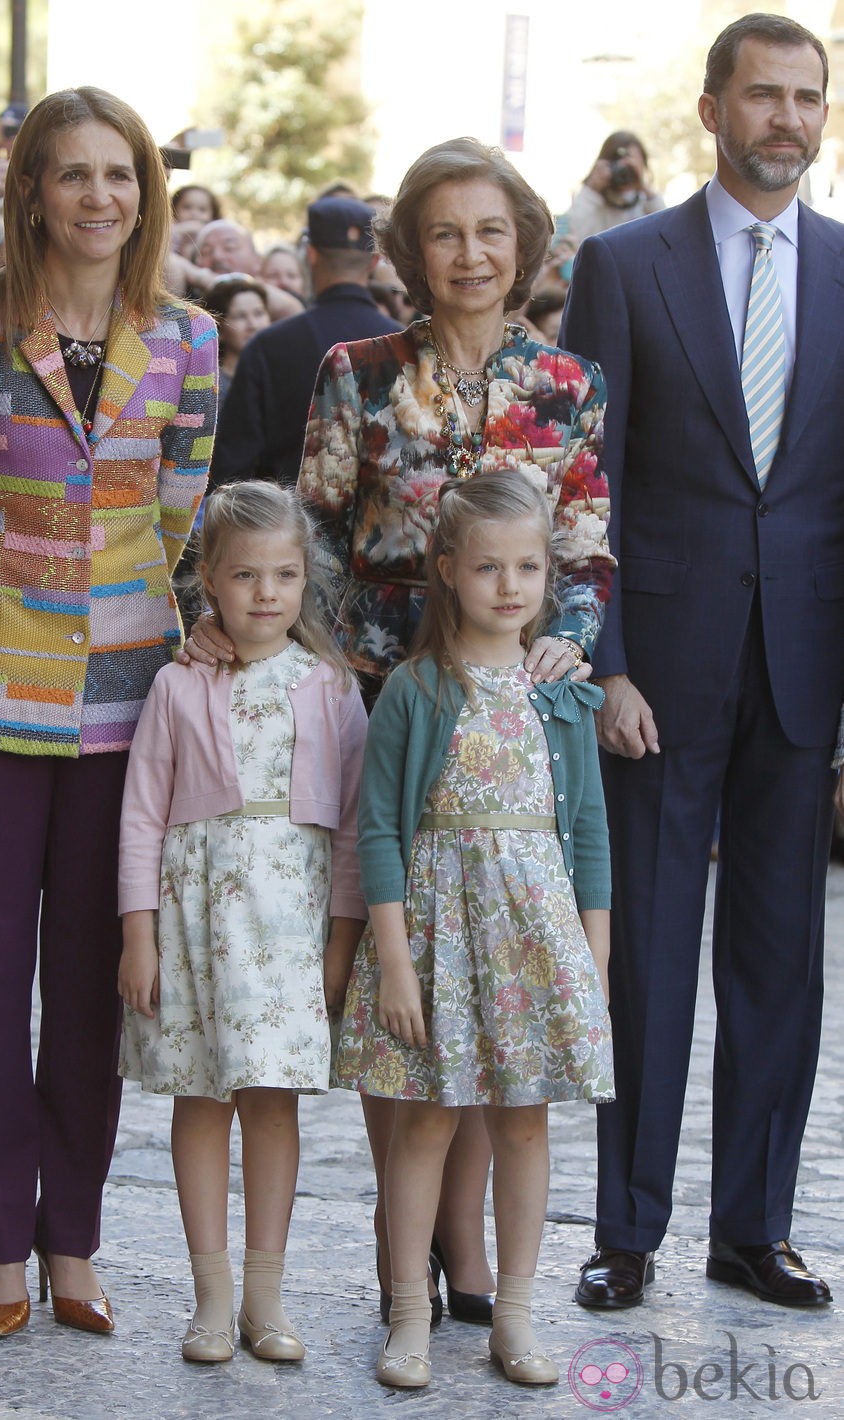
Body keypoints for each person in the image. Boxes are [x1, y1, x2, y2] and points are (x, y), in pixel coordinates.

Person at [187, 135, 614, 1327]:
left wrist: (563, 642)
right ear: (409, 250)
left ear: (523, 243)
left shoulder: (566, 383)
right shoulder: (355, 370)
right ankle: (401, 1227)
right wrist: (300, 659)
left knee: (488, 978)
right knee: (407, 990)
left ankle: (462, 1243)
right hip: (385, 700)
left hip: (512, 718)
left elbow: (582, 543)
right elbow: (311, 530)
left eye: (490, 231)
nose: (470, 254)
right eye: (444, 232)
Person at [0, 85, 218, 1338]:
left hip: (123, 705)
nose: (98, 197)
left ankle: (70, 1237)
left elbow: (175, 515)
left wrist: (113, 624)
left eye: (119, 175)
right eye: (71, 174)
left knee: (94, 985)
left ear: (144, 192)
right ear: (29, 190)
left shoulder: (184, 337)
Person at [561, 12, 841, 1311]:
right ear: (712, 107)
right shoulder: (626, 265)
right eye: (765, 94)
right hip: (655, 678)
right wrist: (604, 660)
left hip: (805, 668)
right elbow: (587, 484)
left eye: (808, 98)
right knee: (648, 957)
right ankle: (626, 1232)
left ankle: (754, 1226)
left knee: (782, 960)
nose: (787, 118)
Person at [335, 470, 612, 1389]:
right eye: (490, 566)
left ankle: (518, 1316)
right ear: (448, 570)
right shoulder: (415, 691)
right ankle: (410, 1310)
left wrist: (594, 954)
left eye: (530, 567)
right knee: (427, 1124)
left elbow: (589, 835)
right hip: (437, 942)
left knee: (525, 1127)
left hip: (534, 943)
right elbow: (377, 829)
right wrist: (394, 960)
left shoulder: (563, 699)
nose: (511, 586)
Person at [117, 481, 367, 1364]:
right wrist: (138, 933)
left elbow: (348, 834)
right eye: (246, 576)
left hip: (291, 936)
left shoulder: (331, 688)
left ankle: (267, 1297)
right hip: (195, 932)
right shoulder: (177, 687)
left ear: (307, 582)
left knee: (271, 1104)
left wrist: (341, 947)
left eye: (286, 575)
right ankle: (211, 1298)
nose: (267, 593)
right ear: (210, 587)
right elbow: (144, 815)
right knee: (201, 1101)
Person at [208, 195, 400, 487]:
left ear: (310, 254)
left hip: (291, 523)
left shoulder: (268, 347)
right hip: (384, 525)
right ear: (374, 261)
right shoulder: (405, 344)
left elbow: (232, 470)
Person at [563, 131, 664, 245]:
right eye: (617, 165)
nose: (623, 171)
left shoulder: (646, 202)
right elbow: (577, 236)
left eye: (631, 165)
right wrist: (592, 191)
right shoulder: (592, 200)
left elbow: (666, 230)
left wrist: (646, 189)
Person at [202, 273, 272, 413]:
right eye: (240, 316)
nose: (253, 325)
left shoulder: (278, 375)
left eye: (259, 313)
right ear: (219, 329)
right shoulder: (211, 387)